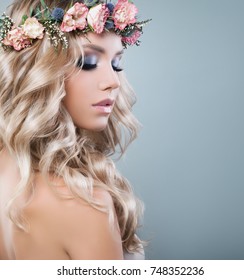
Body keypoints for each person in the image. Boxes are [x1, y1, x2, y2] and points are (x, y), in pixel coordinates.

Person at [0, 0, 150, 260]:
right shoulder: (86, 204)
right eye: (89, 62)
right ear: (39, 68)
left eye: (117, 64)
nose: (113, 82)